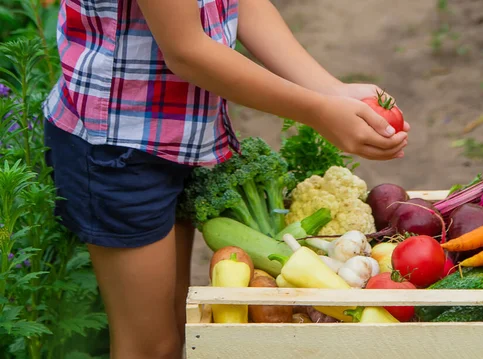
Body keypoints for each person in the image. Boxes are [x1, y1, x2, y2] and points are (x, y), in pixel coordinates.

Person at [42, 0, 410, 358]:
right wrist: (317, 111)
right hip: (119, 145)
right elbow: (186, 50)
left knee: (175, 326)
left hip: (176, 136)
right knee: (149, 347)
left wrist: (329, 89)